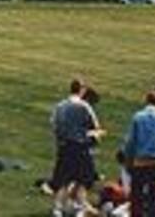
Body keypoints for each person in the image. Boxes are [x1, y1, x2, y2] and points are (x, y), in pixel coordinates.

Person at [50, 80, 105, 215]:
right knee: (82, 180)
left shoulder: (60, 106)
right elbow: (94, 127)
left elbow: (54, 125)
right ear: (81, 90)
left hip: (64, 147)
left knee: (63, 180)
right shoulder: (84, 106)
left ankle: (57, 208)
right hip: (80, 148)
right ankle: (80, 208)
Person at [125, 90, 155, 216]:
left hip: (139, 161)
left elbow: (131, 141)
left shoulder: (137, 117)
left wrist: (129, 158)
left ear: (146, 101)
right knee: (153, 194)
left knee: (136, 195)